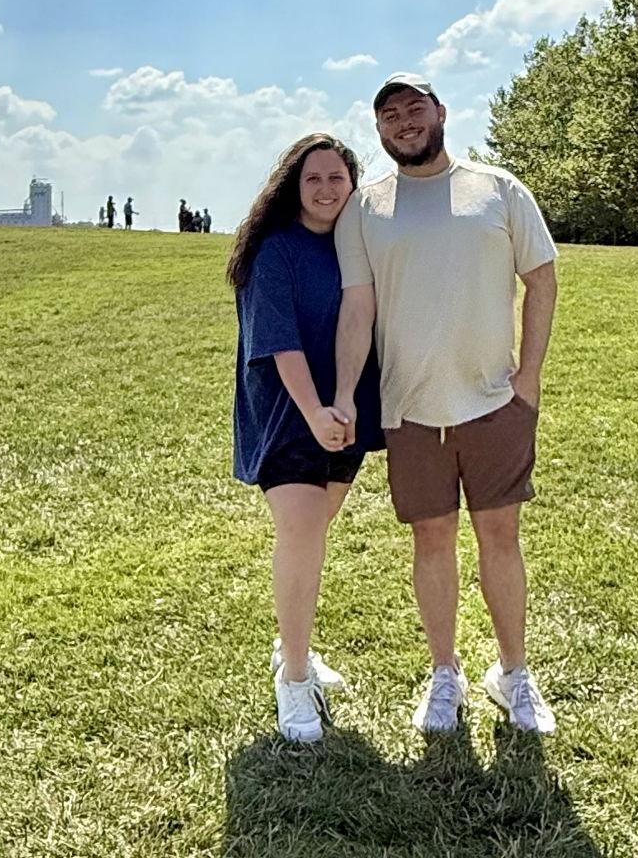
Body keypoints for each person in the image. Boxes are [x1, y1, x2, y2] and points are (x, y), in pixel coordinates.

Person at [333, 72, 560, 736]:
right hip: (408, 410)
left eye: (414, 108)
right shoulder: (365, 207)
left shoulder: (498, 189)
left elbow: (542, 279)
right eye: (388, 116)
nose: (403, 121)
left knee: (500, 539)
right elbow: (357, 306)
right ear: (378, 131)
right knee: (431, 542)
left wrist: (530, 380)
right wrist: (347, 393)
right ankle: (444, 674)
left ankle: (514, 674)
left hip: (494, 403)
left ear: (440, 112)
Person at [229, 132, 384, 745]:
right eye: (313, 178)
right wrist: (315, 410)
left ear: (352, 186)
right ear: (294, 185)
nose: (326, 189)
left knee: (315, 533)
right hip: (287, 413)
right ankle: (294, 678)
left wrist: (342, 403)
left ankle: (292, 645)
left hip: (345, 410)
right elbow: (277, 343)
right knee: (300, 532)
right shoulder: (274, 251)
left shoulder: (356, 246)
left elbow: (364, 319)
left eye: (337, 179)